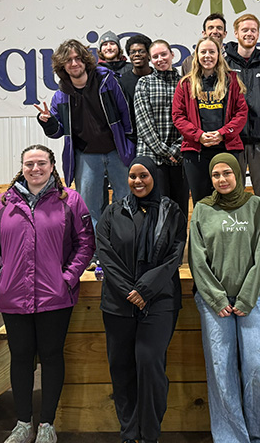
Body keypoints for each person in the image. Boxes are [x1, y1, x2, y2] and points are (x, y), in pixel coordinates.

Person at [0, 145, 95, 443]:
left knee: (52, 356)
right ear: (22, 166)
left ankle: (46, 424)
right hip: (13, 295)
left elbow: (85, 243)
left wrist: (67, 277)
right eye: (29, 163)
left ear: (52, 165)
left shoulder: (69, 200)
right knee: (20, 357)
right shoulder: (5, 202)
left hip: (55, 296)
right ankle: (22, 423)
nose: (35, 169)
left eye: (41, 163)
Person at [96, 157, 187, 443]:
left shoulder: (172, 212)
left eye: (144, 175)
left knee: (149, 363)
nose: (138, 181)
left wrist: (145, 289)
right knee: (121, 368)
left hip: (159, 301)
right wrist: (128, 291)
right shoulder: (113, 213)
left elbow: (175, 254)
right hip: (118, 303)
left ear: (154, 177)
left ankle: (149, 434)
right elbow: (106, 255)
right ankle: (129, 432)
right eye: (133, 176)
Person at [189, 153, 260, 443]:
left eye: (227, 173)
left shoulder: (257, 206)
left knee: (256, 367)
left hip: (253, 299)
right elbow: (197, 259)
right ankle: (230, 438)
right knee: (221, 369)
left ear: (239, 174)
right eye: (216, 175)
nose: (222, 179)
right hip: (215, 304)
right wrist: (216, 298)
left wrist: (246, 298)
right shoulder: (202, 209)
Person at [36, 39, 135, 227]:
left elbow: (125, 112)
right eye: (69, 60)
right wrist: (48, 122)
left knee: (126, 203)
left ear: (85, 60)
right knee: (89, 209)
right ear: (62, 66)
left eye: (78, 58)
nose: (74, 63)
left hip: (117, 152)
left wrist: (129, 144)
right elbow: (58, 132)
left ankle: (123, 249)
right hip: (86, 156)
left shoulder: (107, 81)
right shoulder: (60, 95)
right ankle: (96, 253)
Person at [171, 36, 248, 205]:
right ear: (196, 55)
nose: (208, 56)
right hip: (196, 151)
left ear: (219, 55)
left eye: (212, 52)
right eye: (203, 52)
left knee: (229, 199)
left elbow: (241, 113)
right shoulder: (185, 84)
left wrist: (222, 134)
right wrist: (198, 135)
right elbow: (178, 116)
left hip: (226, 147)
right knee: (202, 201)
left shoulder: (231, 80)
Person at [224, 14, 260, 234]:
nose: (249, 33)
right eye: (245, 30)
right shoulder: (224, 63)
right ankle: (235, 245)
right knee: (232, 195)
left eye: (254, 30)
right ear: (236, 33)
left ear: (258, 34)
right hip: (232, 142)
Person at [134, 39, 190, 214]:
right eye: (155, 56)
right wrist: (165, 151)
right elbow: (143, 123)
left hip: (179, 156)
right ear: (150, 60)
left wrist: (177, 148)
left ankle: (179, 242)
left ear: (172, 55)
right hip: (152, 158)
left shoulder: (186, 84)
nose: (160, 59)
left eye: (163, 54)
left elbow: (191, 120)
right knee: (156, 211)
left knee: (179, 210)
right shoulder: (144, 83)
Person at [118, 33, 154, 147]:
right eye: (133, 52)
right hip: (132, 140)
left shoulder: (158, 78)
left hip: (158, 138)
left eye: (141, 51)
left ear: (149, 55)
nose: (137, 54)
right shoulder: (122, 82)